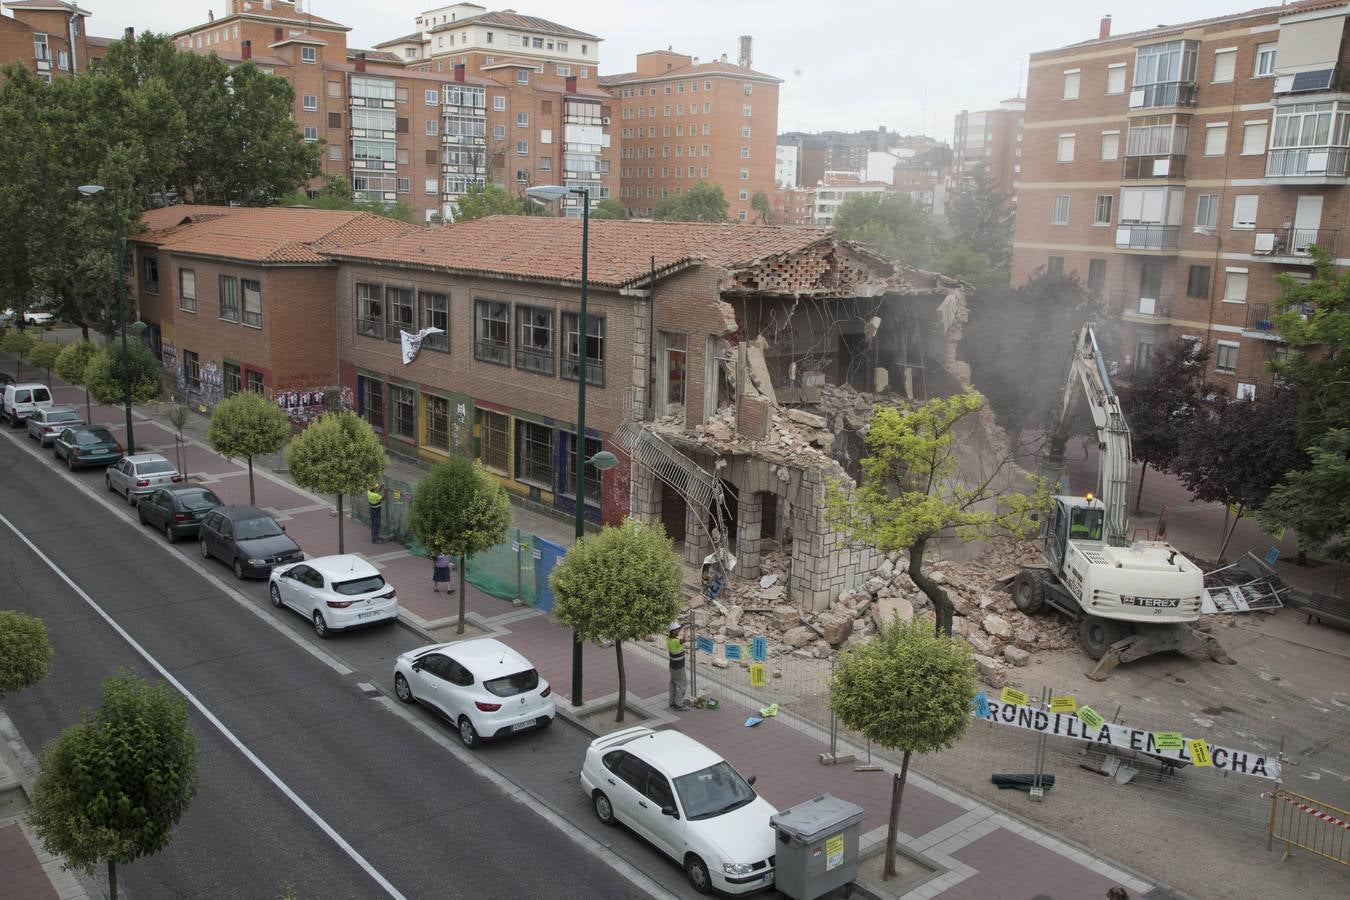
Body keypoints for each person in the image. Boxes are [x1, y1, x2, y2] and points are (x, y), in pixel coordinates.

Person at [667, 621, 689, 710]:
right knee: (682, 684)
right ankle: (678, 704)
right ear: (673, 631)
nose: (678, 630)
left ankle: (672, 702)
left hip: (672, 666)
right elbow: (685, 639)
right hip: (678, 666)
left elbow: (676, 631)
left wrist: (682, 626)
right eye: (676, 629)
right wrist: (686, 630)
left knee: (673, 683)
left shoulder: (668, 639)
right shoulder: (675, 641)